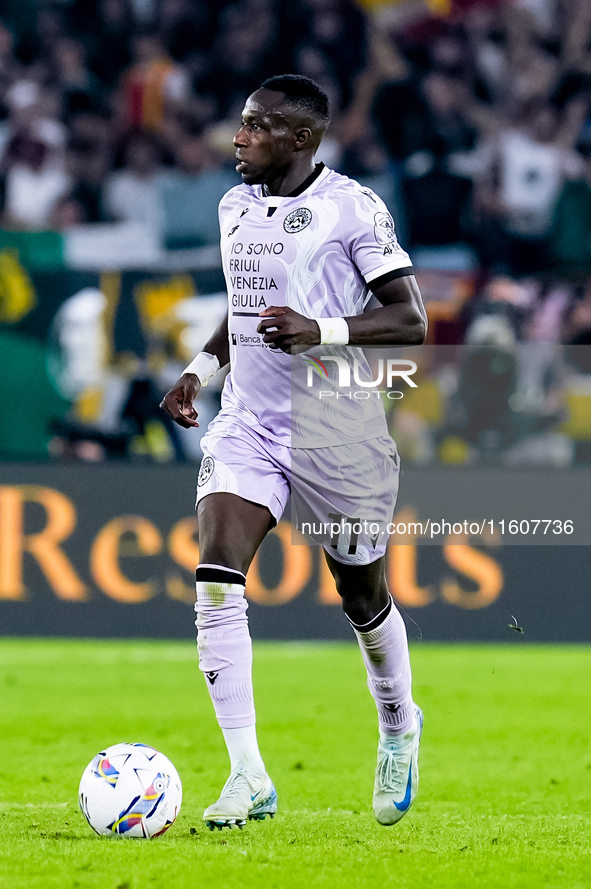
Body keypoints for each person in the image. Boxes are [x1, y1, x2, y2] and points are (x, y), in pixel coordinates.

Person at [160, 74, 427, 830]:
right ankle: (248, 775)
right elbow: (242, 310)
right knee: (215, 577)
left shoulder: (353, 208)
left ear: (301, 138)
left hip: (336, 430)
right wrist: (198, 371)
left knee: (361, 596)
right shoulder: (234, 205)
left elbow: (411, 318)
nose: (237, 137)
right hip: (247, 423)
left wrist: (322, 329)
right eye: (240, 124)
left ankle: (398, 723)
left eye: (256, 126)